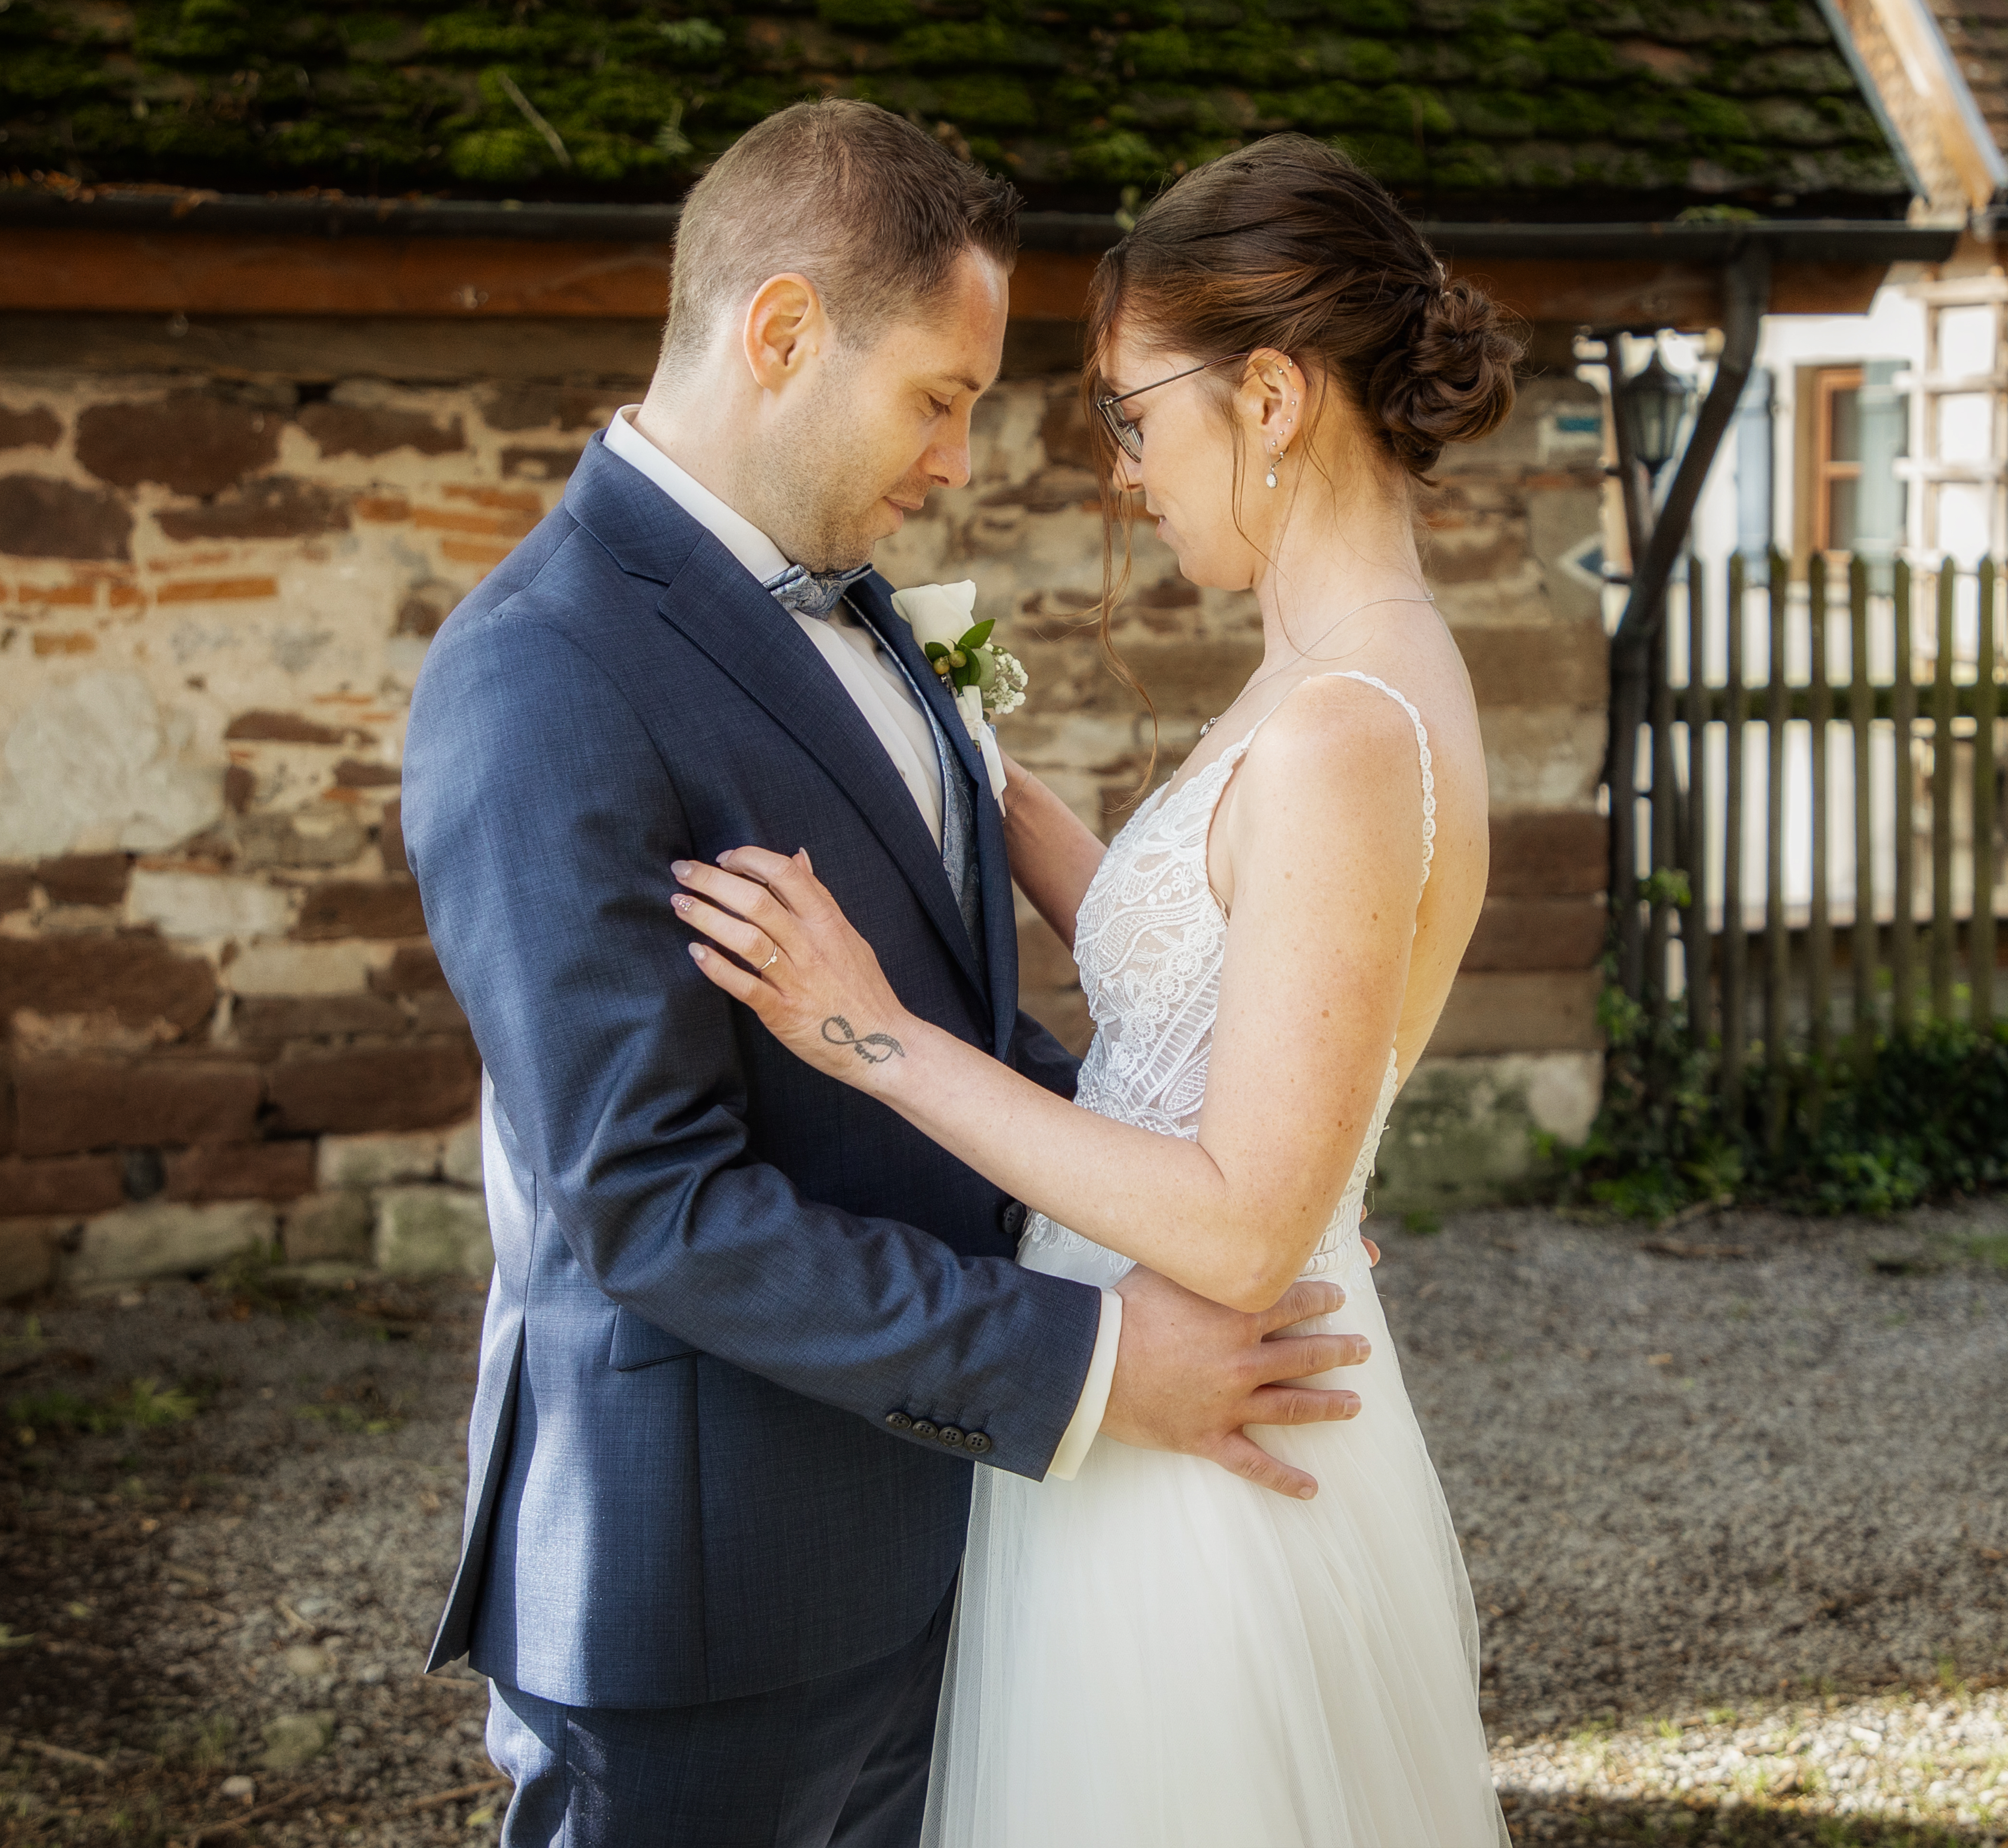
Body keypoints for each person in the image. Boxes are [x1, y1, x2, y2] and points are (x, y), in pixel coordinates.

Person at [403, 102, 1379, 1848]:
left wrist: (1212, 1169)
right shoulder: (538, 674)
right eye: (941, 397)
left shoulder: (868, 614)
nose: (957, 465)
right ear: (780, 333)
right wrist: (1088, 1364)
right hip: (705, 1600)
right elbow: (651, 1204)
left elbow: (957, 1017)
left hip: (944, 1566)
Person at [672, 133, 1522, 1845]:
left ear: (1270, 397)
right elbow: (1208, 962)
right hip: (1141, 1416)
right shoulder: (1332, 669)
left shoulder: (1350, 725)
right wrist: (983, 794)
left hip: (1200, 1455)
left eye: (1137, 414)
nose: (1127, 471)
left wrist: (875, 1035)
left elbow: (1235, 1221)